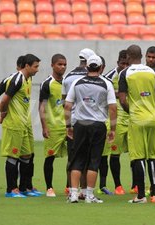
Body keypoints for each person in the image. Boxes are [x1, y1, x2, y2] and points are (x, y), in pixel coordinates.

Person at [65, 54, 117, 203]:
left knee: (77, 159)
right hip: (98, 125)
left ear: (87, 66)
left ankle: (74, 194)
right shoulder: (106, 84)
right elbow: (113, 108)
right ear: (101, 68)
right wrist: (113, 129)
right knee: (94, 160)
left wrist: (68, 125)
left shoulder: (77, 82)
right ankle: (89, 195)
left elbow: (68, 105)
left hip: (80, 124)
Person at [0, 55, 42, 197]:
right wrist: (3, 113)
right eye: (36, 66)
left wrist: (3, 114)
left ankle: (24, 188)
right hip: (14, 124)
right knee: (13, 156)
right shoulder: (17, 79)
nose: (38, 69)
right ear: (27, 66)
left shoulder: (28, 79)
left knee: (26, 155)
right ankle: (11, 189)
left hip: (25, 123)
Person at [118, 44, 155, 203]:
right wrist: (152, 110)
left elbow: (122, 100)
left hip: (137, 119)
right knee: (152, 157)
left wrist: (132, 112)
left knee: (138, 157)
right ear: (142, 55)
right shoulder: (152, 72)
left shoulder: (125, 73)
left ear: (128, 57)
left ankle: (141, 195)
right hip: (153, 118)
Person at [62, 48, 95, 198]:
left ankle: (71, 190)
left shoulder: (67, 77)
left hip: (74, 121)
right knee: (88, 158)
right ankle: (84, 191)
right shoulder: (91, 76)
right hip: (89, 121)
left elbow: (65, 102)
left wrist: (68, 124)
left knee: (73, 157)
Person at [39, 54, 68, 197]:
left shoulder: (68, 82)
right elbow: (42, 107)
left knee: (74, 156)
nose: (62, 67)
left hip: (68, 127)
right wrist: (44, 127)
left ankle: (69, 186)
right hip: (53, 127)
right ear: (52, 65)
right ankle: (49, 188)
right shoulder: (47, 84)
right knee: (49, 158)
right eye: (59, 64)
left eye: (64, 65)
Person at [102, 50, 129, 195]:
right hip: (115, 121)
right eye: (122, 63)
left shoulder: (133, 75)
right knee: (115, 154)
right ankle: (118, 186)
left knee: (136, 154)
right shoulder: (108, 77)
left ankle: (136, 185)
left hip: (132, 119)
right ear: (117, 62)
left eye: (127, 63)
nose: (124, 66)